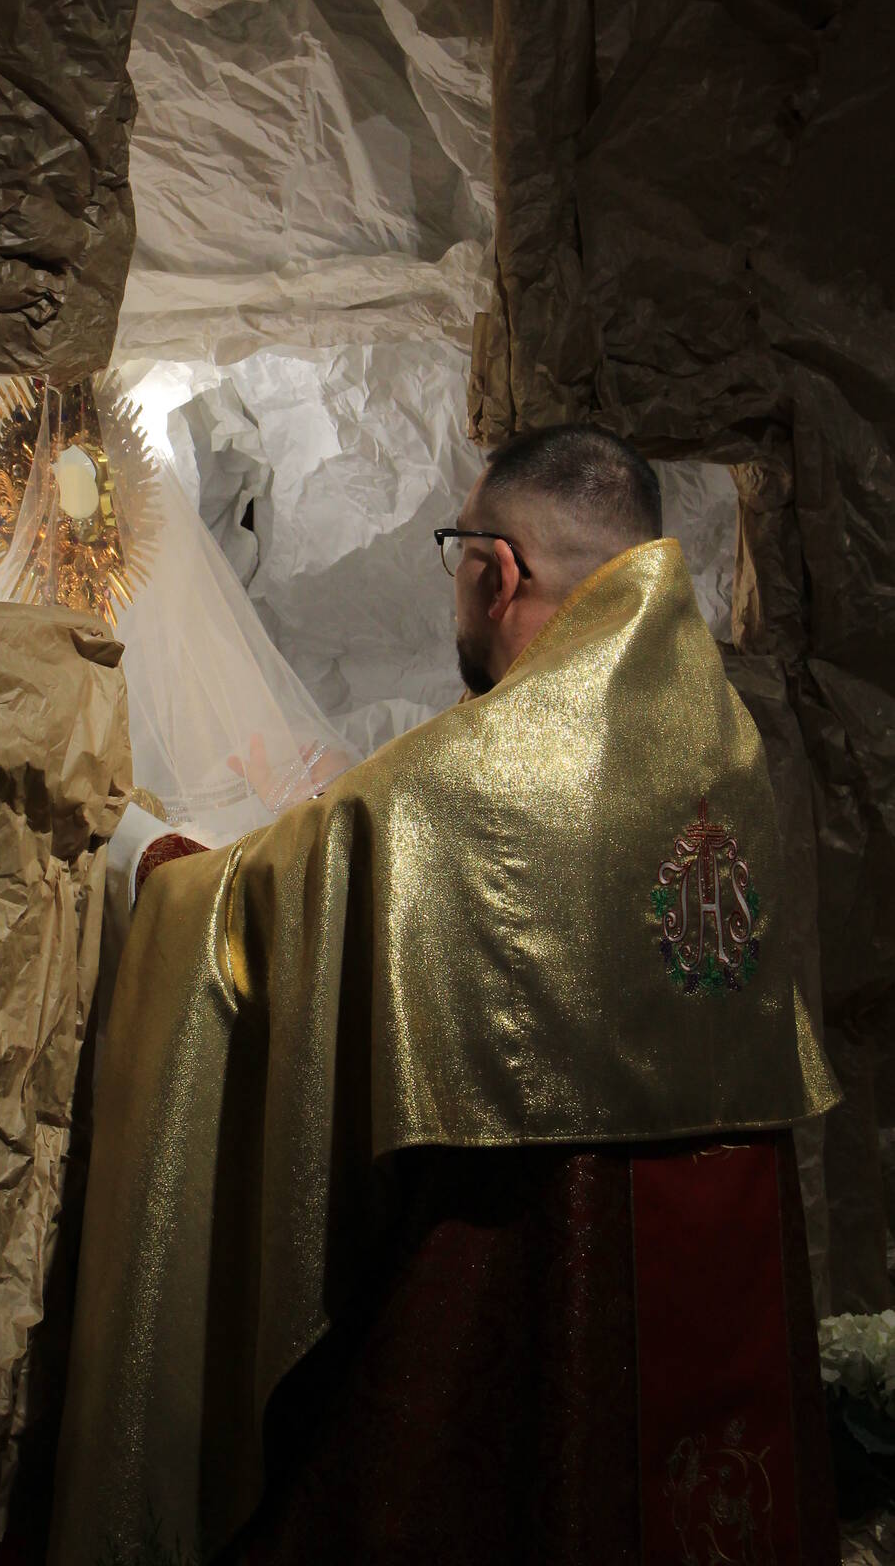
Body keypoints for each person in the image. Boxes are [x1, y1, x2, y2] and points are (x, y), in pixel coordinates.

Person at [49, 424, 840, 1566]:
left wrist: (147, 858)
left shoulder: (458, 785)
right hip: (717, 1257)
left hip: (526, 1260)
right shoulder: (722, 749)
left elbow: (259, 931)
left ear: (495, 570)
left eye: (455, 554)